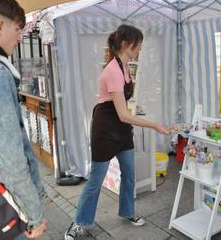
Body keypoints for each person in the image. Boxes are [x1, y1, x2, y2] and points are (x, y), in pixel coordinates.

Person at [64, 24, 170, 240]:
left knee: (129, 173)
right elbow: (122, 114)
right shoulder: (112, 70)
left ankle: (127, 211)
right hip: (105, 128)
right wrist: (154, 125)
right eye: (137, 45)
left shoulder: (125, 65)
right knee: (96, 179)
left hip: (121, 128)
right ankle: (79, 222)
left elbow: (122, 105)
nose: (139, 49)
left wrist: (137, 112)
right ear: (125, 45)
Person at [0, 0, 47, 239]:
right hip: (3, 208)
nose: (20, 37)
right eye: (18, 29)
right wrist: (34, 214)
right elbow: (9, 160)